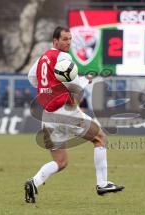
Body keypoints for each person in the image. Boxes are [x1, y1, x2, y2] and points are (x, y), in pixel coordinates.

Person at [25, 26, 124, 203]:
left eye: (70, 39)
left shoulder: (42, 58)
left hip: (48, 115)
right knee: (100, 137)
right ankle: (102, 184)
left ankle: (34, 182)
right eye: (64, 39)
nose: (68, 42)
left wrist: (49, 89)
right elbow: (76, 87)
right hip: (65, 112)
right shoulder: (64, 57)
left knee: (60, 162)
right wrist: (86, 80)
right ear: (55, 41)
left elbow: (32, 79)